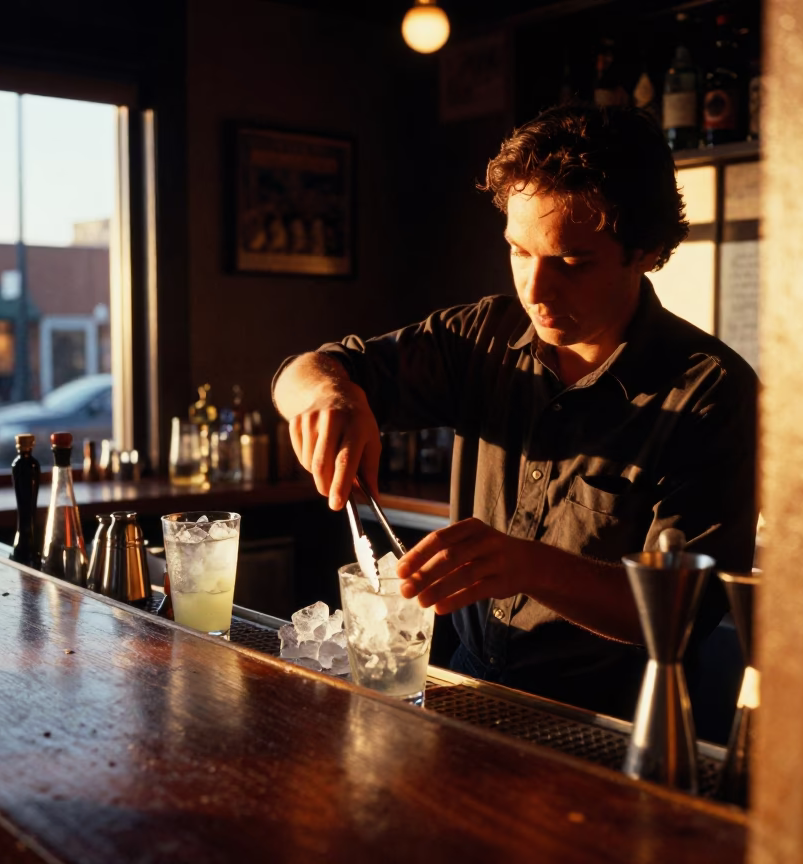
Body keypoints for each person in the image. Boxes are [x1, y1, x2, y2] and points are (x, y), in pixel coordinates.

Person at [272, 104, 758, 717]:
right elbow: (300, 373)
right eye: (519, 251)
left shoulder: (710, 391)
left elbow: (683, 612)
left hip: (609, 725)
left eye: (571, 262)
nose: (534, 288)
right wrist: (330, 395)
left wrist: (530, 567)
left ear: (646, 250)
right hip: (468, 688)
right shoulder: (482, 336)